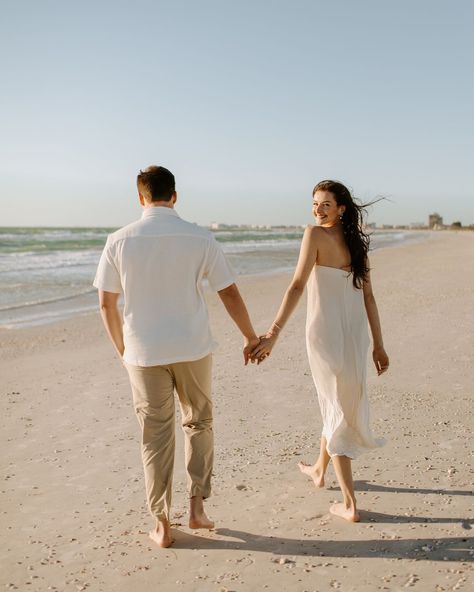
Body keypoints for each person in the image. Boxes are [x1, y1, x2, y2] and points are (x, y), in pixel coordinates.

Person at [93, 165, 259, 548]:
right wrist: (251, 337)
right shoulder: (200, 238)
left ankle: (162, 522)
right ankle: (197, 509)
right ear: (175, 196)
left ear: (140, 197)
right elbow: (228, 292)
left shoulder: (118, 240)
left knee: (155, 435)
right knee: (198, 422)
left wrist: (123, 350)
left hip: (143, 351)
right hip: (193, 347)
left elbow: (106, 303)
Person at [251, 180, 389, 522]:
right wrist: (378, 345)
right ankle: (317, 469)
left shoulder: (313, 235)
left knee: (335, 408)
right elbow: (367, 297)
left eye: (325, 204)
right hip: (354, 336)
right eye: (315, 203)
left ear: (341, 208)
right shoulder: (357, 244)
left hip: (326, 336)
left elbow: (297, 285)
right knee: (338, 401)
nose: (317, 209)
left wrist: (273, 334)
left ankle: (350, 504)